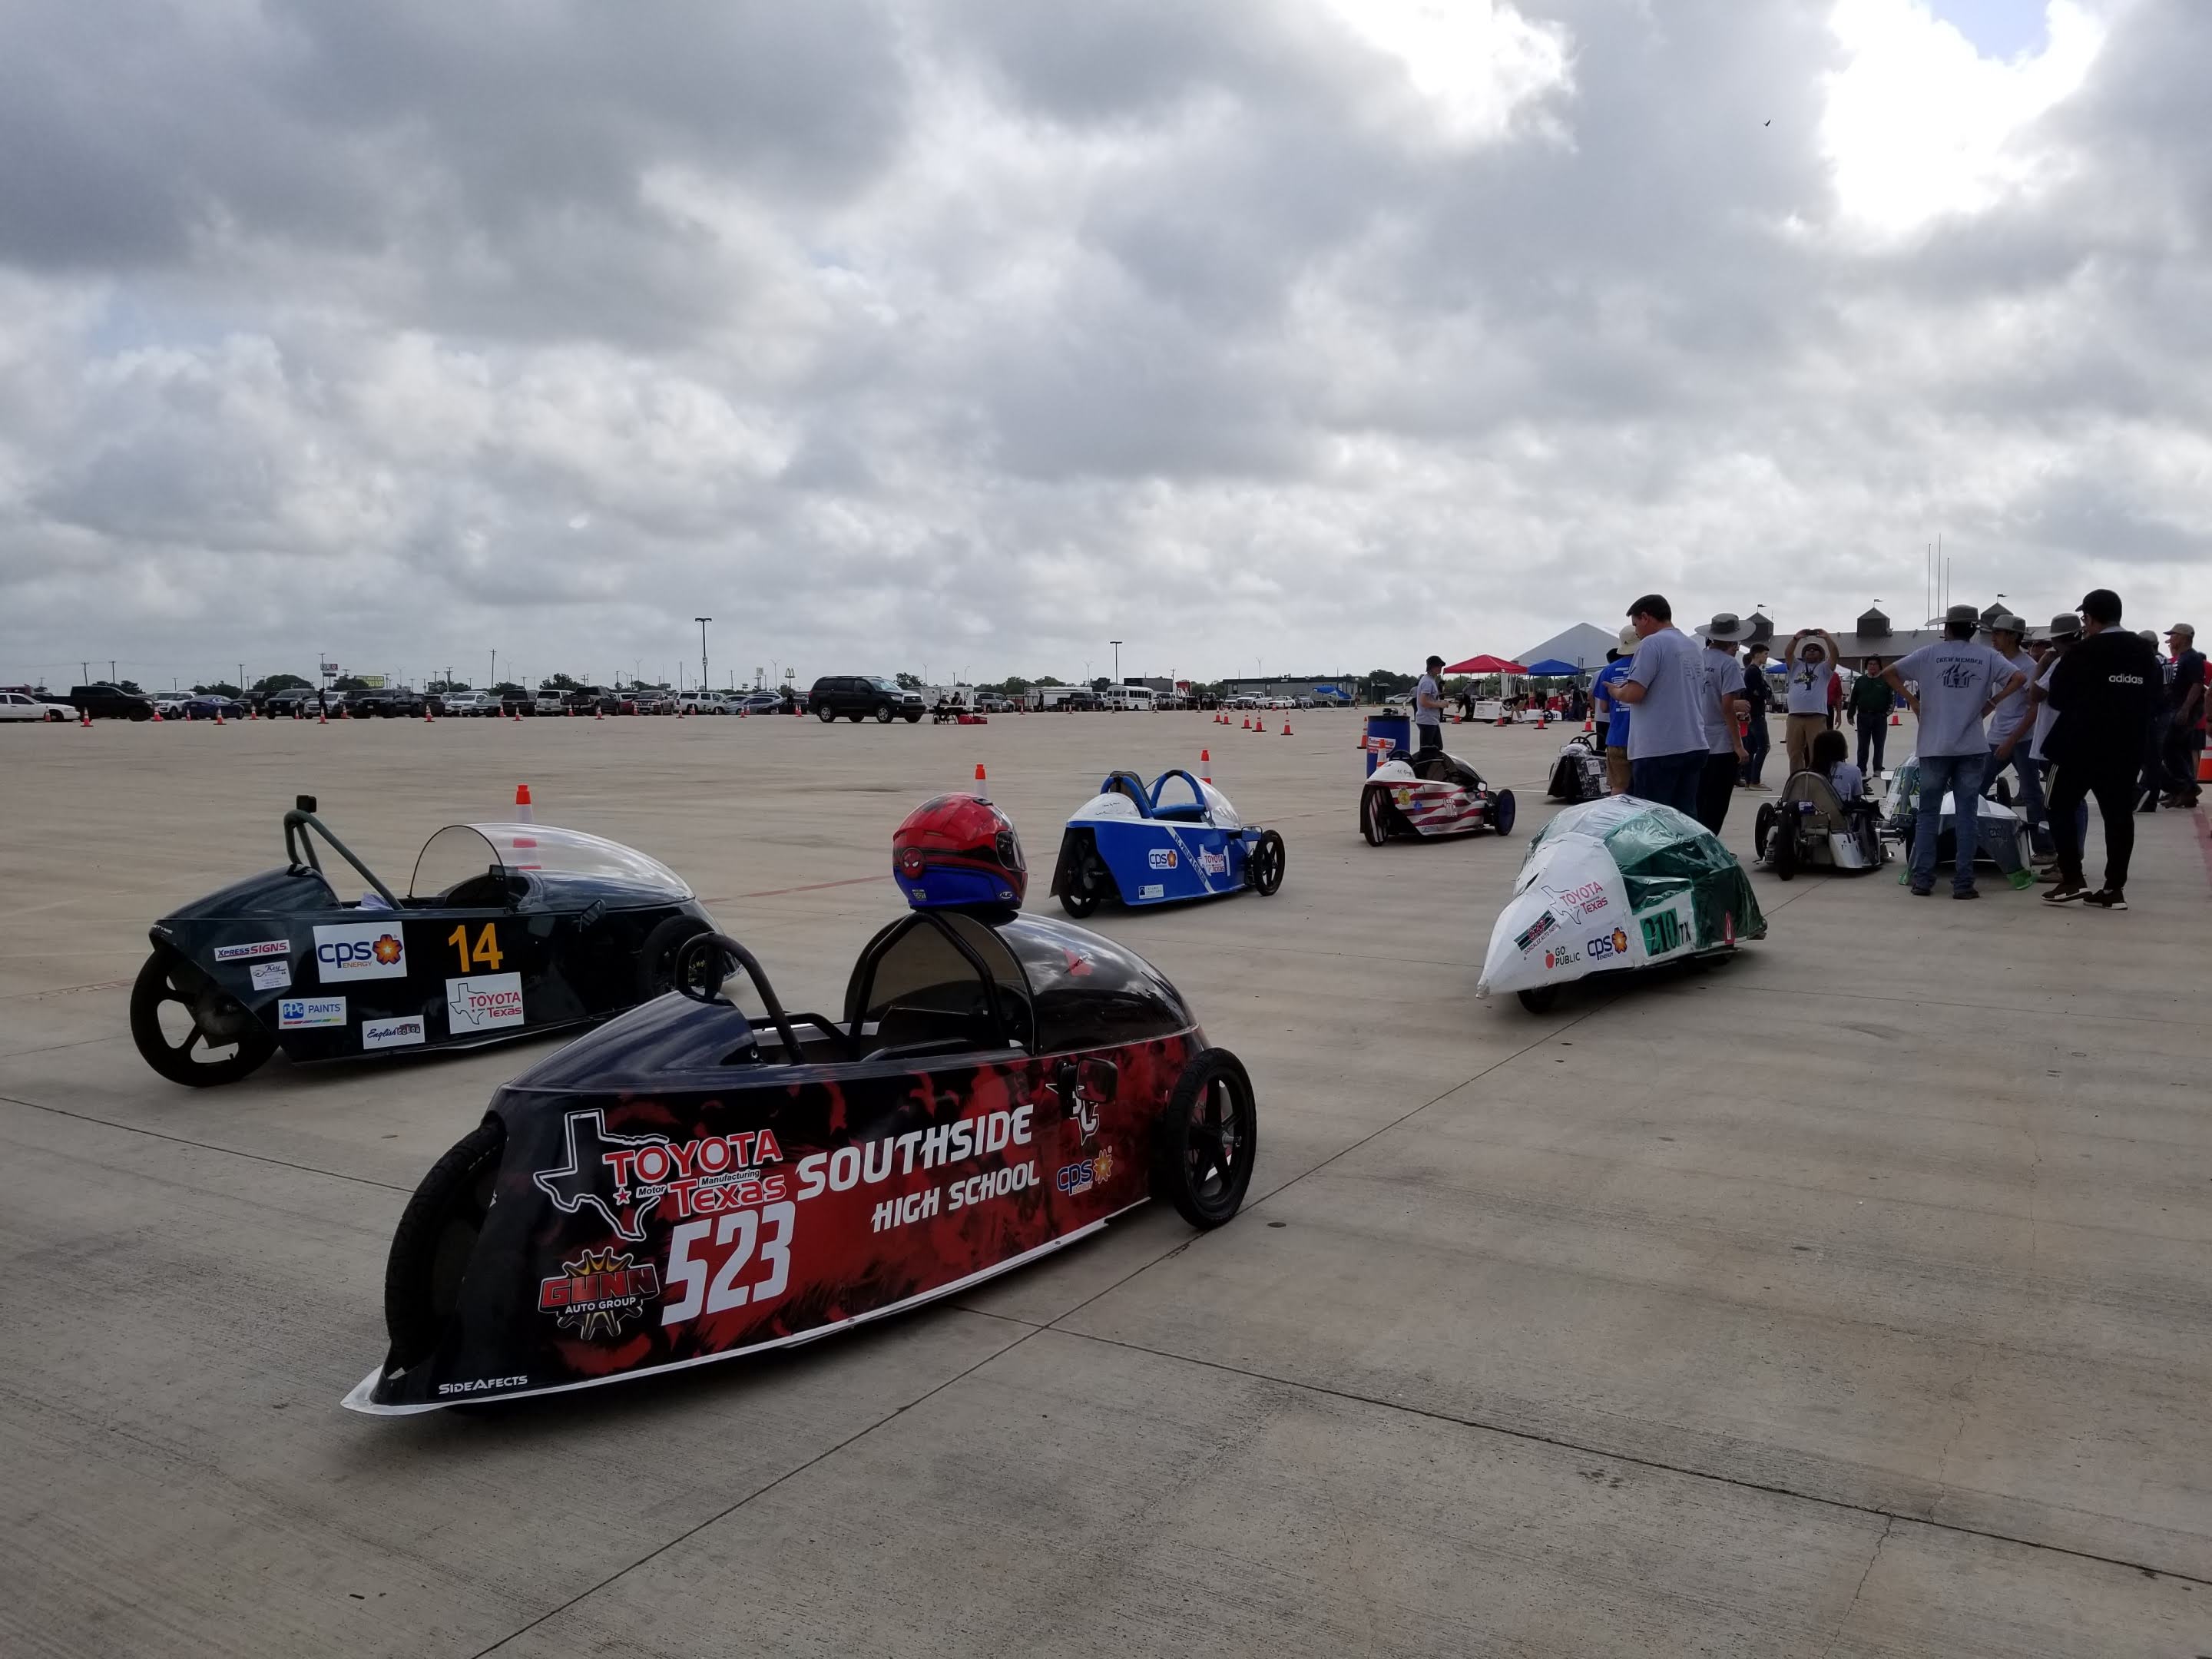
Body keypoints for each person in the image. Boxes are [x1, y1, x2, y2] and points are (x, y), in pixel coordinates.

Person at [1882, 603, 2026, 899]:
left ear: (1947, 628)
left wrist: (1913, 700)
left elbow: (1889, 672)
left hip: (1934, 746)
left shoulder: (1929, 654)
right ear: (1974, 630)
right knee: (1967, 815)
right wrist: (1992, 702)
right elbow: (2019, 678)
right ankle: (1963, 882)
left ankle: (1923, 879)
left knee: (1928, 814)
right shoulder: (1987, 656)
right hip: (1972, 746)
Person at [2043, 590, 2161, 909]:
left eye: (2085, 619)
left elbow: (2057, 698)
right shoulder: (2144, 651)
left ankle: (2071, 877)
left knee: (2057, 805)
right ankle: (2113, 889)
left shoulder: (2082, 651)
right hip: (2126, 746)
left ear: (2091, 618)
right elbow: (2155, 698)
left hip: (2077, 745)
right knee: (2118, 815)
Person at [1614, 594, 1711, 817]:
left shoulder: (1651, 643)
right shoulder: (1692, 646)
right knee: (1685, 817)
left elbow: (1635, 693)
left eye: (1636, 625)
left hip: (1658, 748)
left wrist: (1617, 692)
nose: (1637, 632)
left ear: (1645, 617)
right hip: (1693, 743)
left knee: (1654, 820)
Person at [1979, 615, 2048, 855]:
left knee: (2031, 795)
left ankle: (2044, 849)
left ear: (2013, 636)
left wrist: (2011, 740)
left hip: (2022, 740)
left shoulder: (2028, 667)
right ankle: (1976, 840)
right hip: (1996, 736)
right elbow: (1994, 701)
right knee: (1976, 787)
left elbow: (2034, 709)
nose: (1993, 638)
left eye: (1998, 633)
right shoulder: (1997, 661)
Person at [1694, 614, 1753, 832]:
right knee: (1717, 802)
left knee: (1697, 799)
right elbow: (1727, 707)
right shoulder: (1728, 664)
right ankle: (1709, 841)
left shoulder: (1696, 659)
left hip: (1694, 739)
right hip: (1720, 743)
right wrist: (1738, 745)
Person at [1781, 628, 1839, 776]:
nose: (1811, 651)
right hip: (1795, 717)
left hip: (1816, 717)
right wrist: (1796, 638)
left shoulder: (1824, 668)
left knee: (1818, 752)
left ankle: (1817, 778)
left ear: (1821, 654)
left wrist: (1827, 638)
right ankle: (1796, 779)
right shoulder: (1795, 666)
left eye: (1815, 649)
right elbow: (1788, 653)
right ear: (1803, 654)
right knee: (1794, 752)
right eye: (1808, 649)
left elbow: (1835, 655)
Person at [2159, 623, 2204, 807]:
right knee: (2181, 750)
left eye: (2174, 635)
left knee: (2168, 748)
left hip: (2184, 710)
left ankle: (2188, 786)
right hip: (2177, 708)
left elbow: (2197, 684)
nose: (2170, 639)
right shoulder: (2182, 657)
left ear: (2183, 637)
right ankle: (2183, 791)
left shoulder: (2192, 658)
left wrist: (2185, 709)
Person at [1592, 629, 1637, 794]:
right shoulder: (1646, 666)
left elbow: (1603, 707)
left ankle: (1617, 811)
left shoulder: (1608, 670)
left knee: (1618, 786)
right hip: (1644, 740)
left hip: (1617, 736)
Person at [1848, 655, 1892, 778]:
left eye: (1875, 664)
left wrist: (1886, 714)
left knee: (1879, 745)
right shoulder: (1860, 681)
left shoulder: (1885, 681)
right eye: (1870, 664)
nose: (1872, 666)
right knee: (1863, 745)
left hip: (1880, 718)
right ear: (1866, 667)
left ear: (1880, 667)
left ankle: (1878, 768)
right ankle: (1861, 769)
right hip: (1863, 717)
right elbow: (1853, 699)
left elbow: (1891, 699)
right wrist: (1850, 714)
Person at [1738, 642, 1774, 789]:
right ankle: (1755, 780)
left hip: (1751, 714)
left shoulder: (1750, 671)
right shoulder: (1754, 672)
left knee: (1751, 748)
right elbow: (1761, 692)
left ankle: (1749, 780)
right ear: (1757, 654)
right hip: (1756, 714)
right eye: (1765, 654)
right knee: (1764, 746)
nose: (1766, 657)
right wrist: (1764, 693)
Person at [1811, 727, 1864, 800]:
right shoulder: (1854, 771)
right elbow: (1857, 798)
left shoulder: (1810, 774)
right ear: (1840, 748)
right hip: (1842, 807)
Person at [1414, 655, 1445, 755]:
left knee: (1437, 747)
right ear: (1431, 667)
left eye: (1441, 666)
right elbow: (1423, 702)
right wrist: (1439, 705)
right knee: (1427, 751)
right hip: (1427, 720)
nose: (1440, 668)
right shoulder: (1427, 682)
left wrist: (1440, 702)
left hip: (1431, 720)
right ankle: (1424, 764)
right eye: (1438, 666)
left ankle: (1431, 763)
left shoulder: (1430, 680)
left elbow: (1429, 699)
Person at [1593, 650, 1616, 751]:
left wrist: (1595, 709)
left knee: (1600, 746)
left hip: (1601, 716)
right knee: (1617, 746)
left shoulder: (1598, 674)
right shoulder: (1625, 670)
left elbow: (1590, 694)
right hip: (1616, 716)